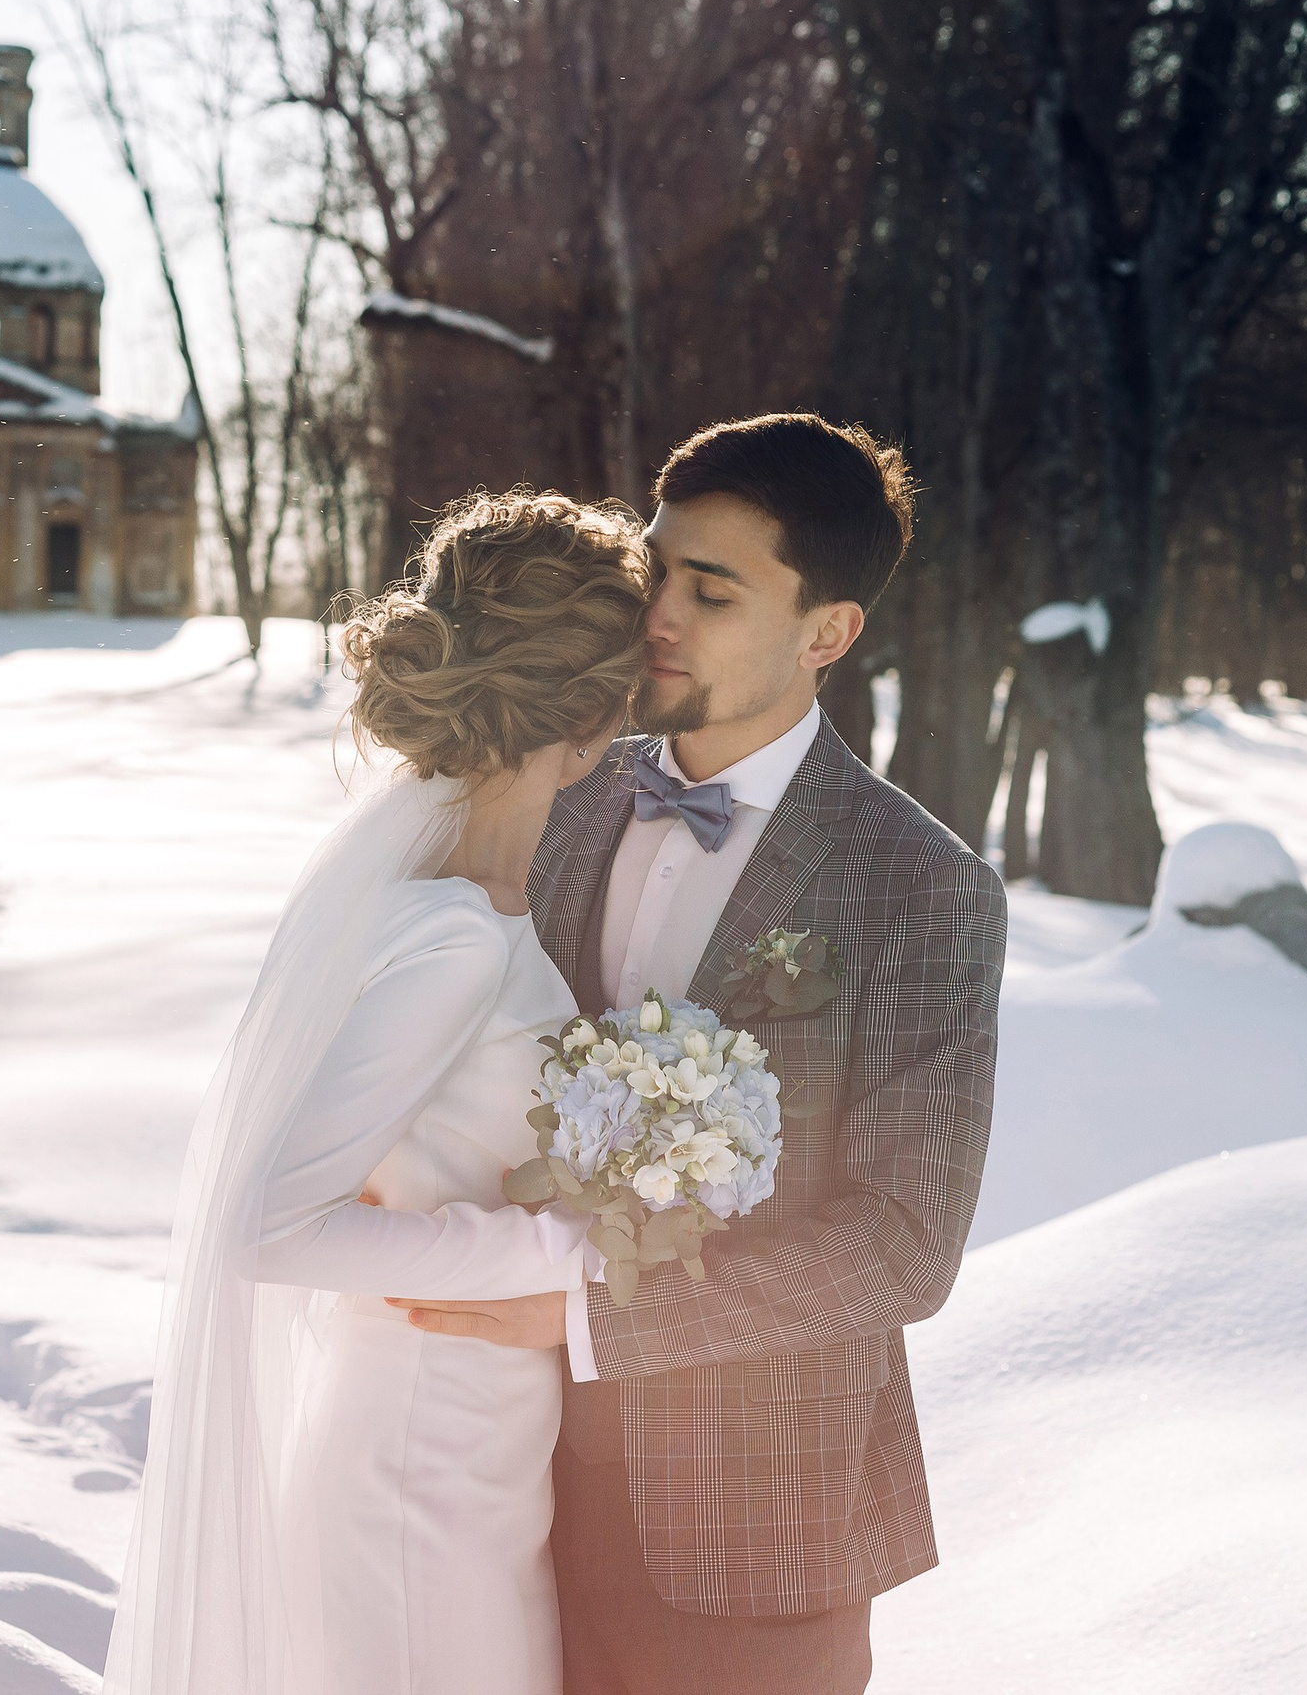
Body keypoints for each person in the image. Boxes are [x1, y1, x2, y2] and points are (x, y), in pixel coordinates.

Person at [394, 414, 1010, 1694]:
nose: (656, 614)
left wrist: (586, 1316)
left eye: (709, 590)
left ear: (825, 632)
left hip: (753, 1521)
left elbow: (902, 1243)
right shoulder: (556, 792)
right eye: (657, 570)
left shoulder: (922, 884)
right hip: (490, 1480)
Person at [108, 491, 653, 1695]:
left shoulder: (476, 903)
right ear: (587, 720)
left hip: (471, 1446)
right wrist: (562, 1251)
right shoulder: (453, 935)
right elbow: (268, 1229)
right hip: (417, 1458)